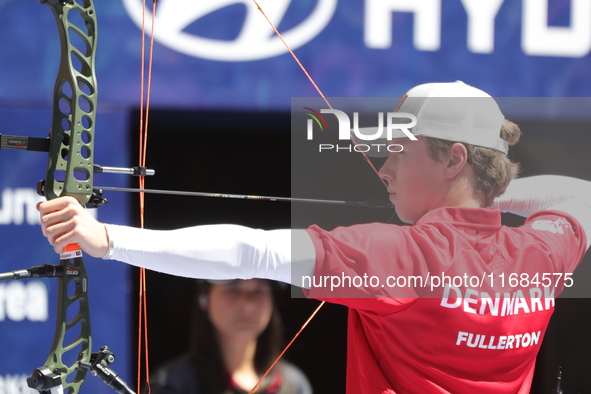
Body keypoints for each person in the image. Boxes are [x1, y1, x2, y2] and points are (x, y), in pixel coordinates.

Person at [37, 81, 591, 393]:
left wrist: (106, 238)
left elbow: (252, 250)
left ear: (454, 158)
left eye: (399, 149)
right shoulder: (542, 253)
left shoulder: (403, 255)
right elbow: (579, 198)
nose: (385, 168)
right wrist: (491, 198)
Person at [149, 278, 312, 394]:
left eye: (259, 291)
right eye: (233, 290)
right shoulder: (172, 383)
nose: (247, 305)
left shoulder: (294, 384)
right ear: (204, 298)